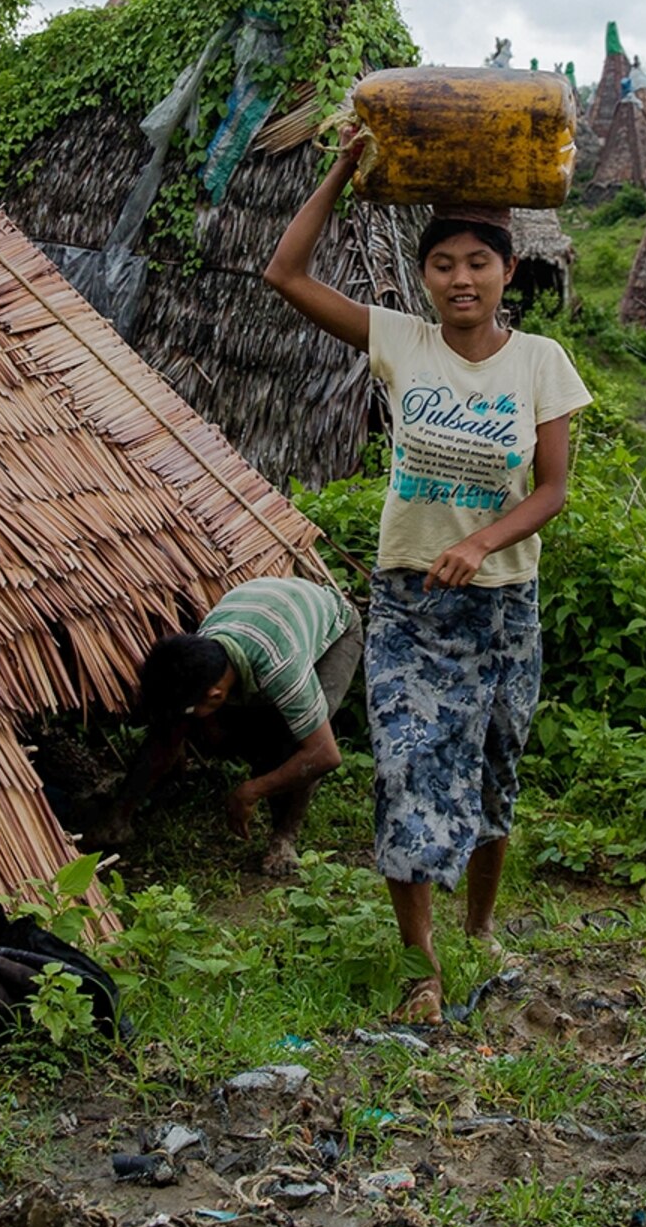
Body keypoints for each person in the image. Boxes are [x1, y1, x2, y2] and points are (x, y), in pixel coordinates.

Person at [262, 144, 590, 1023]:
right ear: (424, 276)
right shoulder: (400, 341)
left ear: (508, 269)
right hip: (411, 602)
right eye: (442, 264)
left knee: (492, 775)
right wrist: (340, 172)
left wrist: (483, 541)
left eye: (478, 262)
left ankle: (480, 926)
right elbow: (286, 271)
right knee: (407, 770)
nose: (460, 279)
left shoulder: (540, 363)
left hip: (502, 605)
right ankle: (423, 966)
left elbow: (554, 488)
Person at [94, 575, 358, 878]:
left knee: (292, 741)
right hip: (268, 614)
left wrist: (251, 791)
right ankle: (117, 821)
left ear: (217, 695)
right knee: (175, 724)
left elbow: (324, 755)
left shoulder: (281, 669)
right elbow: (172, 726)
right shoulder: (205, 650)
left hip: (336, 629)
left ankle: (283, 840)